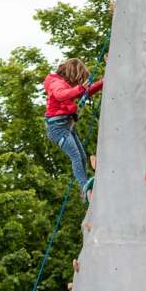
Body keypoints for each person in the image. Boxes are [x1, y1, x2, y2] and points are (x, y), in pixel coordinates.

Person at [44, 59, 104, 203]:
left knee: (82, 155)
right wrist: (80, 89)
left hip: (64, 127)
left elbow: (86, 93)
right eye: (78, 80)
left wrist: (101, 83)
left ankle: (85, 188)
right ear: (72, 75)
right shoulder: (56, 83)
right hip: (56, 129)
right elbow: (60, 95)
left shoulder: (66, 86)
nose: (78, 84)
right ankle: (83, 188)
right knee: (75, 155)